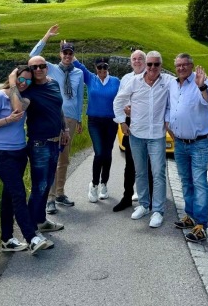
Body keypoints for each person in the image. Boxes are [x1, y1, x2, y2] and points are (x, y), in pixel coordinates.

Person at [0, 65, 52, 254]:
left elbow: (18, 109)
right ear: (14, 77)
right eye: (21, 78)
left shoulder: (23, 98)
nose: (24, 83)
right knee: (19, 194)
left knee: (9, 196)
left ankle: (7, 239)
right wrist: (6, 120)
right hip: (1, 154)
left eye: (28, 80)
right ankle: (32, 238)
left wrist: (14, 84)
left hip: (20, 153)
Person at [10, 56, 69, 235]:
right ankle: (30, 230)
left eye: (42, 66)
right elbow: (18, 109)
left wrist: (65, 129)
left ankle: (40, 220)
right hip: (39, 144)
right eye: (34, 67)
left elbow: (58, 108)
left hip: (55, 141)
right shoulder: (30, 90)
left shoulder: (53, 84)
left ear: (46, 68)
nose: (38, 69)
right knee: (39, 186)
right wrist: (13, 82)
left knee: (47, 183)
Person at [29, 24, 84, 212]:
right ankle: (50, 198)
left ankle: (60, 193)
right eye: (65, 53)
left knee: (64, 158)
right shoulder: (50, 68)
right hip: (54, 118)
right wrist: (47, 36)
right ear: (60, 54)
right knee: (53, 157)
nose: (67, 56)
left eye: (70, 53)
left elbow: (79, 96)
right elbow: (32, 56)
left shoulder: (78, 73)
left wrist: (79, 119)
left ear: (73, 55)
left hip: (71, 119)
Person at [113, 50, 170, 228]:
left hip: (156, 135)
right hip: (136, 134)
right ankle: (144, 205)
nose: (152, 67)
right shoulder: (134, 81)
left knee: (158, 173)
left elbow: (182, 87)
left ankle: (158, 210)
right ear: (146, 65)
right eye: (150, 64)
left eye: (156, 64)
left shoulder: (167, 81)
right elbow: (118, 101)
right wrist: (122, 121)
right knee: (140, 172)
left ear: (161, 65)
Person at [168, 53, 208, 244]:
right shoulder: (173, 84)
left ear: (191, 65)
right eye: (178, 65)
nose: (181, 68)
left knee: (199, 183)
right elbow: (171, 108)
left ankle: (201, 225)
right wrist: (169, 126)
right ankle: (190, 216)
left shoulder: (200, 81)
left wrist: (202, 86)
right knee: (186, 181)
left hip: (198, 143)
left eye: (185, 65)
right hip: (180, 143)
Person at [73, 55, 120, 202]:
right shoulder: (90, 78)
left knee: (107, 153)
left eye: (105, 67)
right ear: (96, 68)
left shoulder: (116, 81)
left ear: (108, 68)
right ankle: (94, 184)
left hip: (111, 122)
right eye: (99, 67)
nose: (102, 70)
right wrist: (66, 48)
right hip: (94, 122)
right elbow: (78, 65)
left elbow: (123, 98)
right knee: (99, 153)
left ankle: (104, 183)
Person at [112, 50, 153, 213]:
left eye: (140, 58)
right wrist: (122, 121)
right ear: (131, 62)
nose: (137, 61)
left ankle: (150, 198)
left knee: (148, 163)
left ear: (145, 61)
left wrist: (135, 109)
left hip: (148, 124)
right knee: (130, 163)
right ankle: (127, 197)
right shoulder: (126, 78)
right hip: (130, 123)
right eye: (134, 59)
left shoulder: (151, 77)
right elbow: (120, 100)